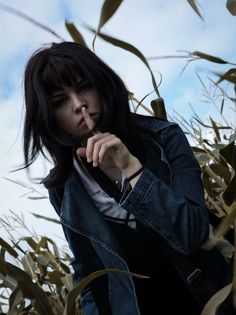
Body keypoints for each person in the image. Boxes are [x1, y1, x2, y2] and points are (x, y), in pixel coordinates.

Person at [22, 41, 210, 315]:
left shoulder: (164, 139)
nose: (79, 104)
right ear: (49, 116)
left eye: (84, 86)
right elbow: (88, 271)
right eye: (60, 101)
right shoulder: (64, 186)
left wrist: (131, 168)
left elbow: (192, 233)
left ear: (102, 85)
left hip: (207, 300)